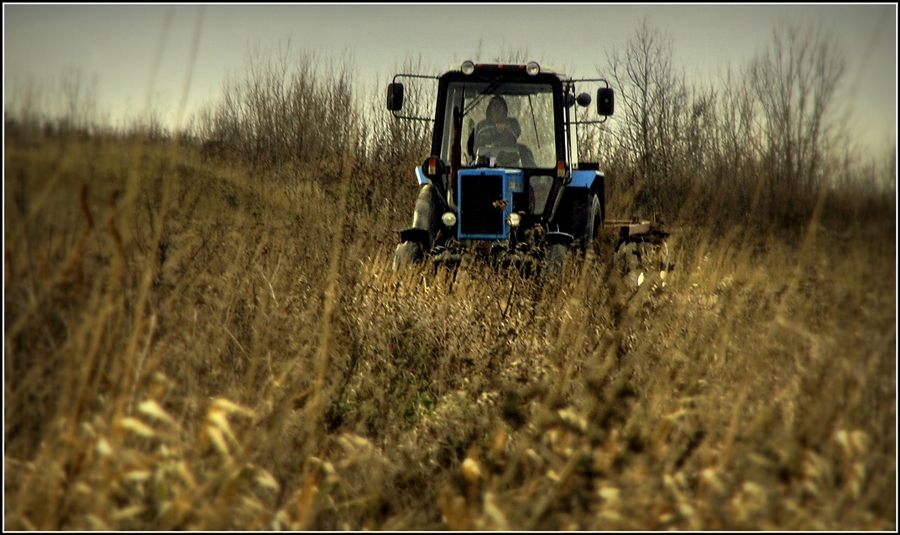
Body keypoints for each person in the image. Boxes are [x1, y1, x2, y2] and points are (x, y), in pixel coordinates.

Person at [471, 96, 522, 166]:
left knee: (524, 150)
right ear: (489, 108)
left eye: (501, 105)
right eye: (494, 105)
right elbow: (475, 145)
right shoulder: (481, 126)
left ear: (505, 108)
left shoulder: (512, 123)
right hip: (484, 163)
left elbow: (516, 132)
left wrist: (505, 131)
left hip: (509, 162)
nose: (497, 108)